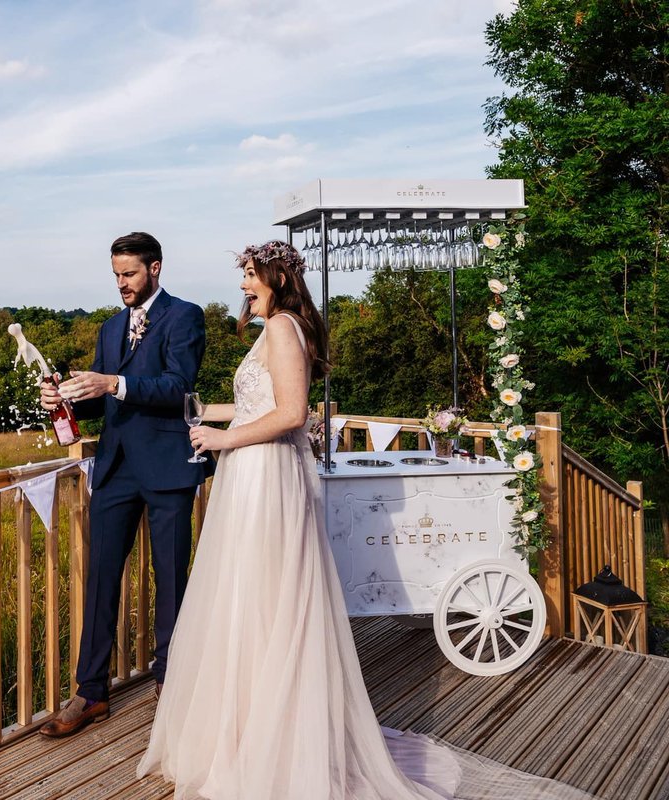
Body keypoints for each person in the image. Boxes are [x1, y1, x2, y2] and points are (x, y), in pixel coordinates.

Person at [136, 241, 595, 800]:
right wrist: (202, 414)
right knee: (250, 596)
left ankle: (270, 742)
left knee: (265, 596)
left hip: (265, 476)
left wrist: (223, 439)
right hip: (251, 474)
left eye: (251, 276)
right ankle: (247, 730)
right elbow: (262, 405)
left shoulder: (282, 328)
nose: (242, 287)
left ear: (276, 280)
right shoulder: (273, 328)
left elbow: (292, 413)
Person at [38, 231, 206, 738]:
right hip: (114, 469)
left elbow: (179, 384)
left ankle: (170, 685)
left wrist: (112, 382)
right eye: (116, 275)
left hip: (168, 466)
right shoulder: (110, 328)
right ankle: (90, 694)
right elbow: (103, 403)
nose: (121, 285)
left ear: (155, 268)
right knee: (100, 580)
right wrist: (65, 399)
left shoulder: (185, 316)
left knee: (171, 579)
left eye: (129, 274)